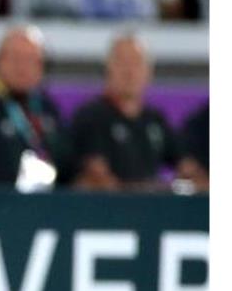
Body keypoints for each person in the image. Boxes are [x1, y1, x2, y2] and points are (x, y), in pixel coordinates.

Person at [70, 34, 185, 191]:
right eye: (122, 62)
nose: (129, 71)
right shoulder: (90, 118)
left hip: (151, 209)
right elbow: (99, 180)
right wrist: (156, 191)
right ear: (107, 68)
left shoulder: (155, 119)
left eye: (136, 63)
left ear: (149, 72)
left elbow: (187, 166)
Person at [0, 26, 72, 188]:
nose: (23, 67)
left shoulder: (48, 108)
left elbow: (66, 163)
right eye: (16, 58)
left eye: (31, 60)